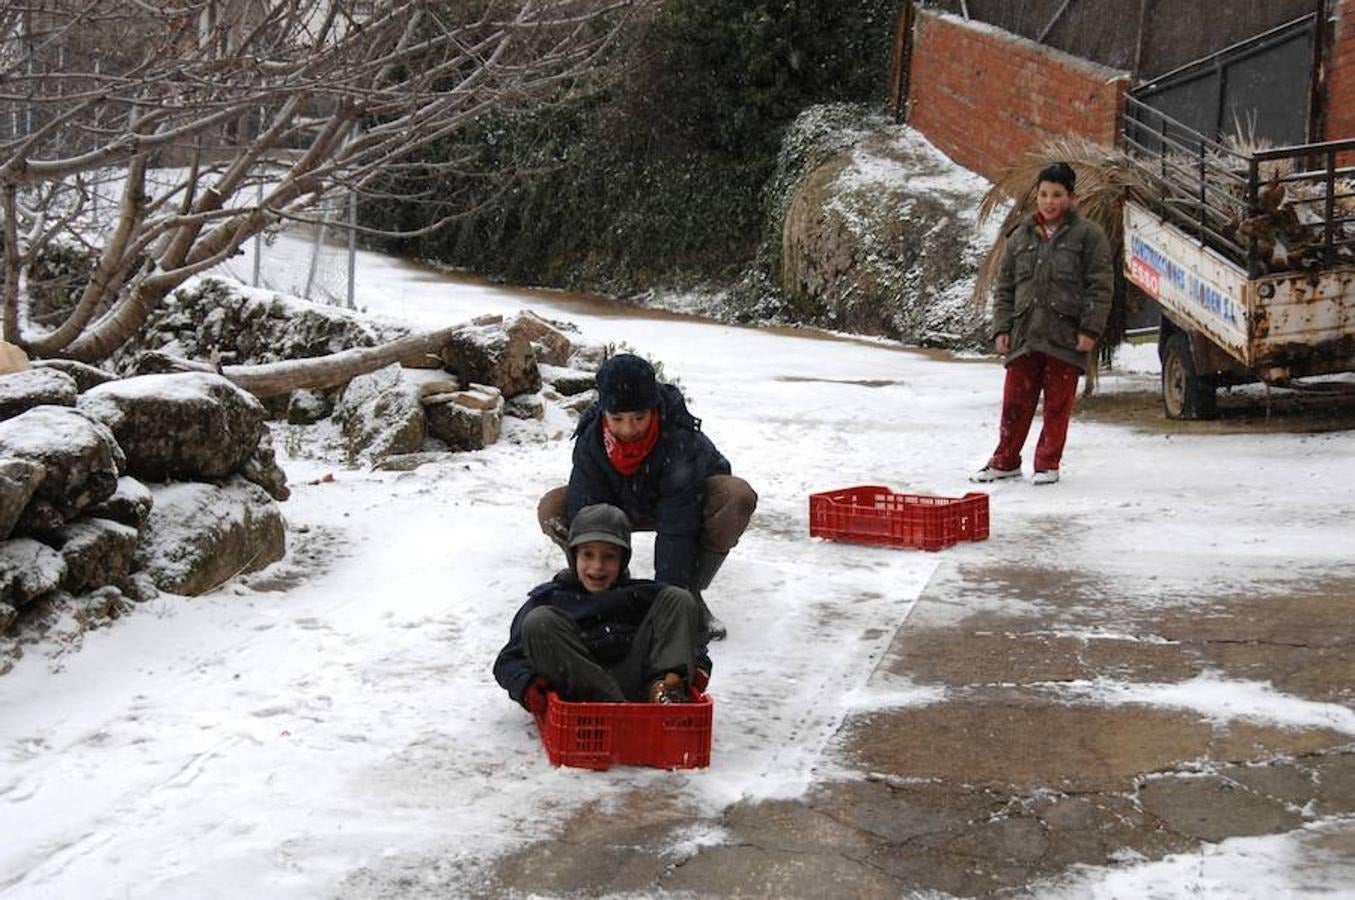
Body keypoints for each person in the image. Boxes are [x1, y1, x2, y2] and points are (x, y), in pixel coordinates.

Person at [537, 353, 756, 640]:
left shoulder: (678, 439)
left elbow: (678, 527)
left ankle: (690, 595)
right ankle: (603, 588)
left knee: (736, 496)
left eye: (639, 418)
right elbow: (586, 514)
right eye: (617, 419)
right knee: (553, 508)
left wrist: (669, 602)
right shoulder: (592, 442)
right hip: (622, 505)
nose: (628, 429)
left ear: (653, 409)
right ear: (604, 413)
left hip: (688, 503)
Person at [971, 161, 1112, 486]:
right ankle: (1005, 461)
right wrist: (1002, 328)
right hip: (1024, 336)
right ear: (1036, 195)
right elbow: (1005, 286)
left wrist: (1089, 330)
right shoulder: (1020, 236)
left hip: (1065, 338)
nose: (1049, 201)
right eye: (1044, 194)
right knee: (1014, 405)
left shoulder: (1089, 237)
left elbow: (1100, 286)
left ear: (1071, 198)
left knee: (1057, 406)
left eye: (1057, 195)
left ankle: (1047, 464)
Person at [494, 503, 711, 711]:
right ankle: (614, 708)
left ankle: (666, 693)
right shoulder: (550, 598)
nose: (597, 566)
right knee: (539, 621)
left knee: (677, 597)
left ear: (622, 561)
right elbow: (508, 661)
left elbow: (686, 637)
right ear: (574, 556)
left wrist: (696, 664)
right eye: (588, 554)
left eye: (609, 556)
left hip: (640, 683)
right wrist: (528, 685)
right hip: (582, 694)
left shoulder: (641, 595)